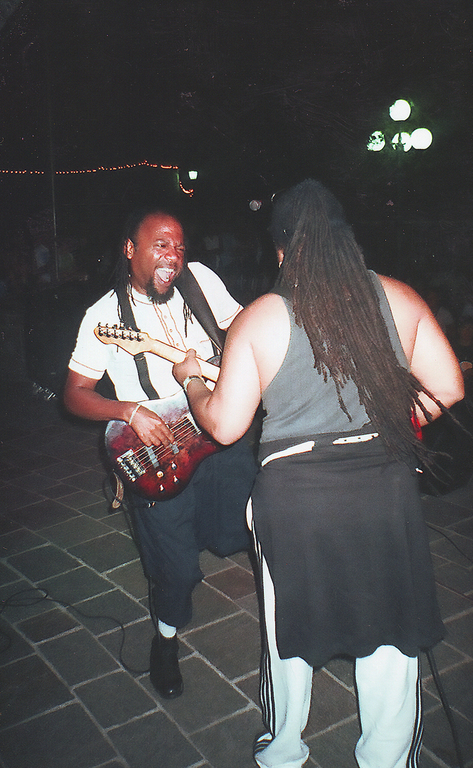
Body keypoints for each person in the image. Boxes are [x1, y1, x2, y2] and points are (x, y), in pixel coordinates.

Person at [172, 180, 465, 768]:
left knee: (289, 626)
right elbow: (449, 388)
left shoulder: (260, 317)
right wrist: (388, 423)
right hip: (383, 492)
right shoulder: (400, 297)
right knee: (392, 631)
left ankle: (284, 749)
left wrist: (192, 380)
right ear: (345, 238)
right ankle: (387, 757)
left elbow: (225, 426)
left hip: (296, 501)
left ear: (281, 248)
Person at [64, 206, 257, 699]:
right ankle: (166, 641)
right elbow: (74, 394)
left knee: (244, 530)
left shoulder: (201, 281)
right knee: (176, 568)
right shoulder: (104, 316)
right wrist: (128, 411)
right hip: (160, 451)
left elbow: (243, 328)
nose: (173, 255)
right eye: (160, 245)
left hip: (222, 436)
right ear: (130, 250)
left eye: (179, 246)